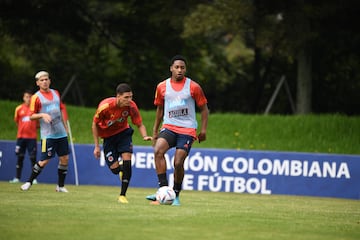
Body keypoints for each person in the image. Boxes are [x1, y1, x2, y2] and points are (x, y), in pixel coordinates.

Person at [146, 55, 209, 206]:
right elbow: (160, 109)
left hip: (187, 130)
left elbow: (204, 109)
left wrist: (203, 130)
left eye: (182, 67)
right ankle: (162, 191)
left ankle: (176, 195)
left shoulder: (193, 87)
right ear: (171, 68)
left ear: (185, 69)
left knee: (178, 162)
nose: (179, 70)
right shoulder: (162, 86)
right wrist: (155, 131)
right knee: (158, 151)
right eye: (177, 67)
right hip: (169, 127)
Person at [92, 83, 152, 204]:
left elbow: (139, 123)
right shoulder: (105, 106)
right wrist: (97, 146)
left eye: (131, 97)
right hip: (108, 138)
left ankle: (122, 195)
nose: (129, 100)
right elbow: (94, 124)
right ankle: (120, 170)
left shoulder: (131, 106)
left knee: (127, 159)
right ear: (118, 96)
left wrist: (145, 136)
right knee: (115, 169)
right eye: (126, 97)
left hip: (123, 133)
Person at [20, 71, 70, 192]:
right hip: (47, 135)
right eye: (41, 80)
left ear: (50, 80)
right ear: (38, 83)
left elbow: (61, 108)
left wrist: (66, 126)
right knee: (44, 160)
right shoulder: (35, 97)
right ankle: (28, 182)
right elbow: (31, 116)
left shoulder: (56, 93)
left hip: (61, 133)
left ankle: (60, 186)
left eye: (46, 79)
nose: (44, 82)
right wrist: (42, 114)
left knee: (65, 159)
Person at [9, 90, 39, 184]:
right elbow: (17, 121)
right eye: (26, 97)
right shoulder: (19, 109)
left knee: (33, 158)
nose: (28, 99)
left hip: (32, 137)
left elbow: (38, 123)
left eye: (30, 97)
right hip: (21, 137)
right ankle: (17, 178)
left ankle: (33, 179)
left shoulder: (35, 110)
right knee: (20, 157)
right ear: (23, 98)